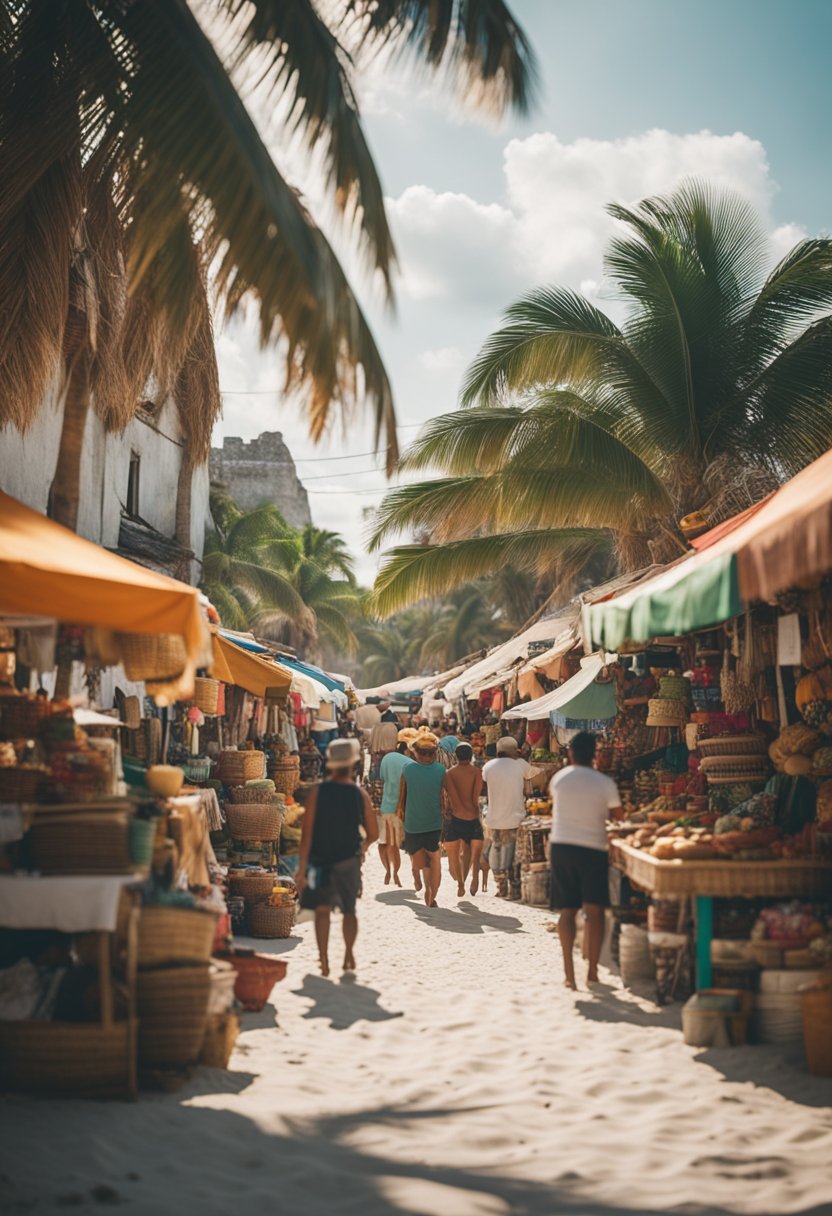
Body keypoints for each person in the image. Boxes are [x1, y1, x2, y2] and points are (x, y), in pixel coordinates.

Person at [296, 738, 378, 977]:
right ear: (353, 764)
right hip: (348, 860)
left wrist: (302, 867)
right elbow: (374, 833)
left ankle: (323, 960)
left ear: (330, 764)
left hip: (320, 860)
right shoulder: (359, 794)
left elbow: (306, 834)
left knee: (321, 911)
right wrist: (362, 848)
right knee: (349, 910)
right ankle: (348, 953)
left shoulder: (317, 793)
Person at [549, 731, 621, 990]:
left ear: (570, 753)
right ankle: (591, 972)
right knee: (594, 911)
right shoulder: (605, 783)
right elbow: (618, 818)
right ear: (594, 755)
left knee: (567, 910)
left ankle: (569, 974)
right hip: (593, 848)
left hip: (562, 846)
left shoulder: (559, 779)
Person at [481, 735, 538, 898]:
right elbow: (536, 775)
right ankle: (514, 889)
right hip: (516, 818)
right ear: (514, 751)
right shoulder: (520, 765)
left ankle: (501, 887)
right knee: (515, 855)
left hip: (494, 818)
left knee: (497, 851)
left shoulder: (488, 766)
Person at [397, 731, 445, 907]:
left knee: (423, 862)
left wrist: (399, 814)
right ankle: (429, 891)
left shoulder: (408, 769)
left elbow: (401, 796)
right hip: (431, 822)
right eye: (425, 753)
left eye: (429, 753)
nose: (426, 756)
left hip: (415, 823)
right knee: (431, 860)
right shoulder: (440, 770)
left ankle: (426, 888)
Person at [442, 743, 485, 896]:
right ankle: (474, 878)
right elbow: (475, 797)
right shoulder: (477, 772)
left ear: (456, 755)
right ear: (471, 755)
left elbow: (448, 797)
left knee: (453, 854)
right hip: (472, 816)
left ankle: (460, 883)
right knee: (473, 851)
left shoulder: (448, 773)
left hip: (455, 816)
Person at [376, 731, 416, 887]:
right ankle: (395, 873)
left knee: (383, 842)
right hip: (400, 808)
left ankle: (387, 871)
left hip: (385, 806)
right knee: (394, 844)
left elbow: (383, 779)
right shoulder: (410, 764)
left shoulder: (386, 758)